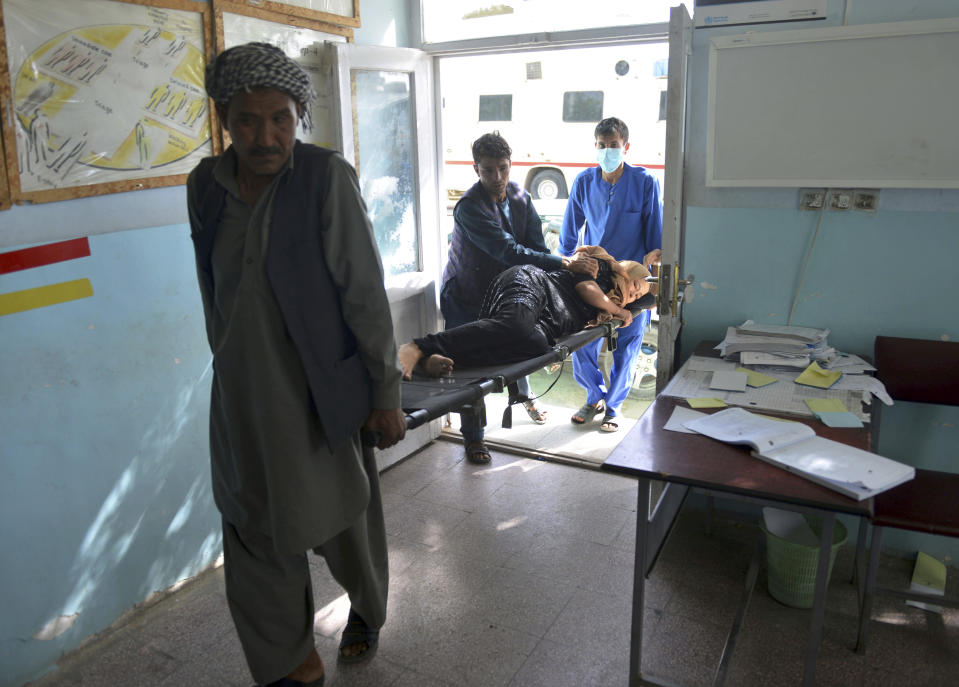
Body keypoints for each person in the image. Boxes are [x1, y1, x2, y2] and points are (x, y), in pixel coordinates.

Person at [187, 43, 405, 687]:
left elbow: (363, 290)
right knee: (253, 527)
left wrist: (384, 392)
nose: (266, 136)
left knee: (345, 522)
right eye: (249, 120)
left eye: (280, 118)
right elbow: (213, 291)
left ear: (299, 115)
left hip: (320, 394)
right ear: (224, 116)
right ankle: (290, 663)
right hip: (243, 402)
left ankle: (366, 607)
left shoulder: (323, 178)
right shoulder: (206, 187)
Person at [442, 131, 598, 463]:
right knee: (470, 370)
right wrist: (565, 261)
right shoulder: (469, 208)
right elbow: (509, 251)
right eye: (488, 170)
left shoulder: (521, 197)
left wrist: (564, 289)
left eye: (502, 168)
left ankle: (524, 396)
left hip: (505, 290)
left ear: (510, 165)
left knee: (519, 339)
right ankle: (474, 438)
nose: (497, 177)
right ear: (476, 170)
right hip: (465, 296)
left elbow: (538, 250)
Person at [400, 246, 650, 381]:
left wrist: (628, 306)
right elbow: (586, 288)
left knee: (538, 347)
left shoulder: (611, 308)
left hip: (545, 324)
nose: (634, 295)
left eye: (638, 297)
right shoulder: (603, 266)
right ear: (626, 272)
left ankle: (436, 360)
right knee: (516, 325)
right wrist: (618, 310)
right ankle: (418, 346)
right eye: (636, 286)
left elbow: (655, 296)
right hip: (534, 284)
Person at [559, 117, 663, 433]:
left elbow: (655, 241)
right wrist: (564, 265)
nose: (608, 151)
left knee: (627, 346)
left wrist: (653, 288)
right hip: (594, 280)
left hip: (632, 284)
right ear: (596, 147)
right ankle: (594, 398)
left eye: (613, 146)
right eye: (602, 146)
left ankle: (614, 407)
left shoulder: (644, 182)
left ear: (625, 147)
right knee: (581, 343)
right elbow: (568, 234)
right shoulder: (584, 182)